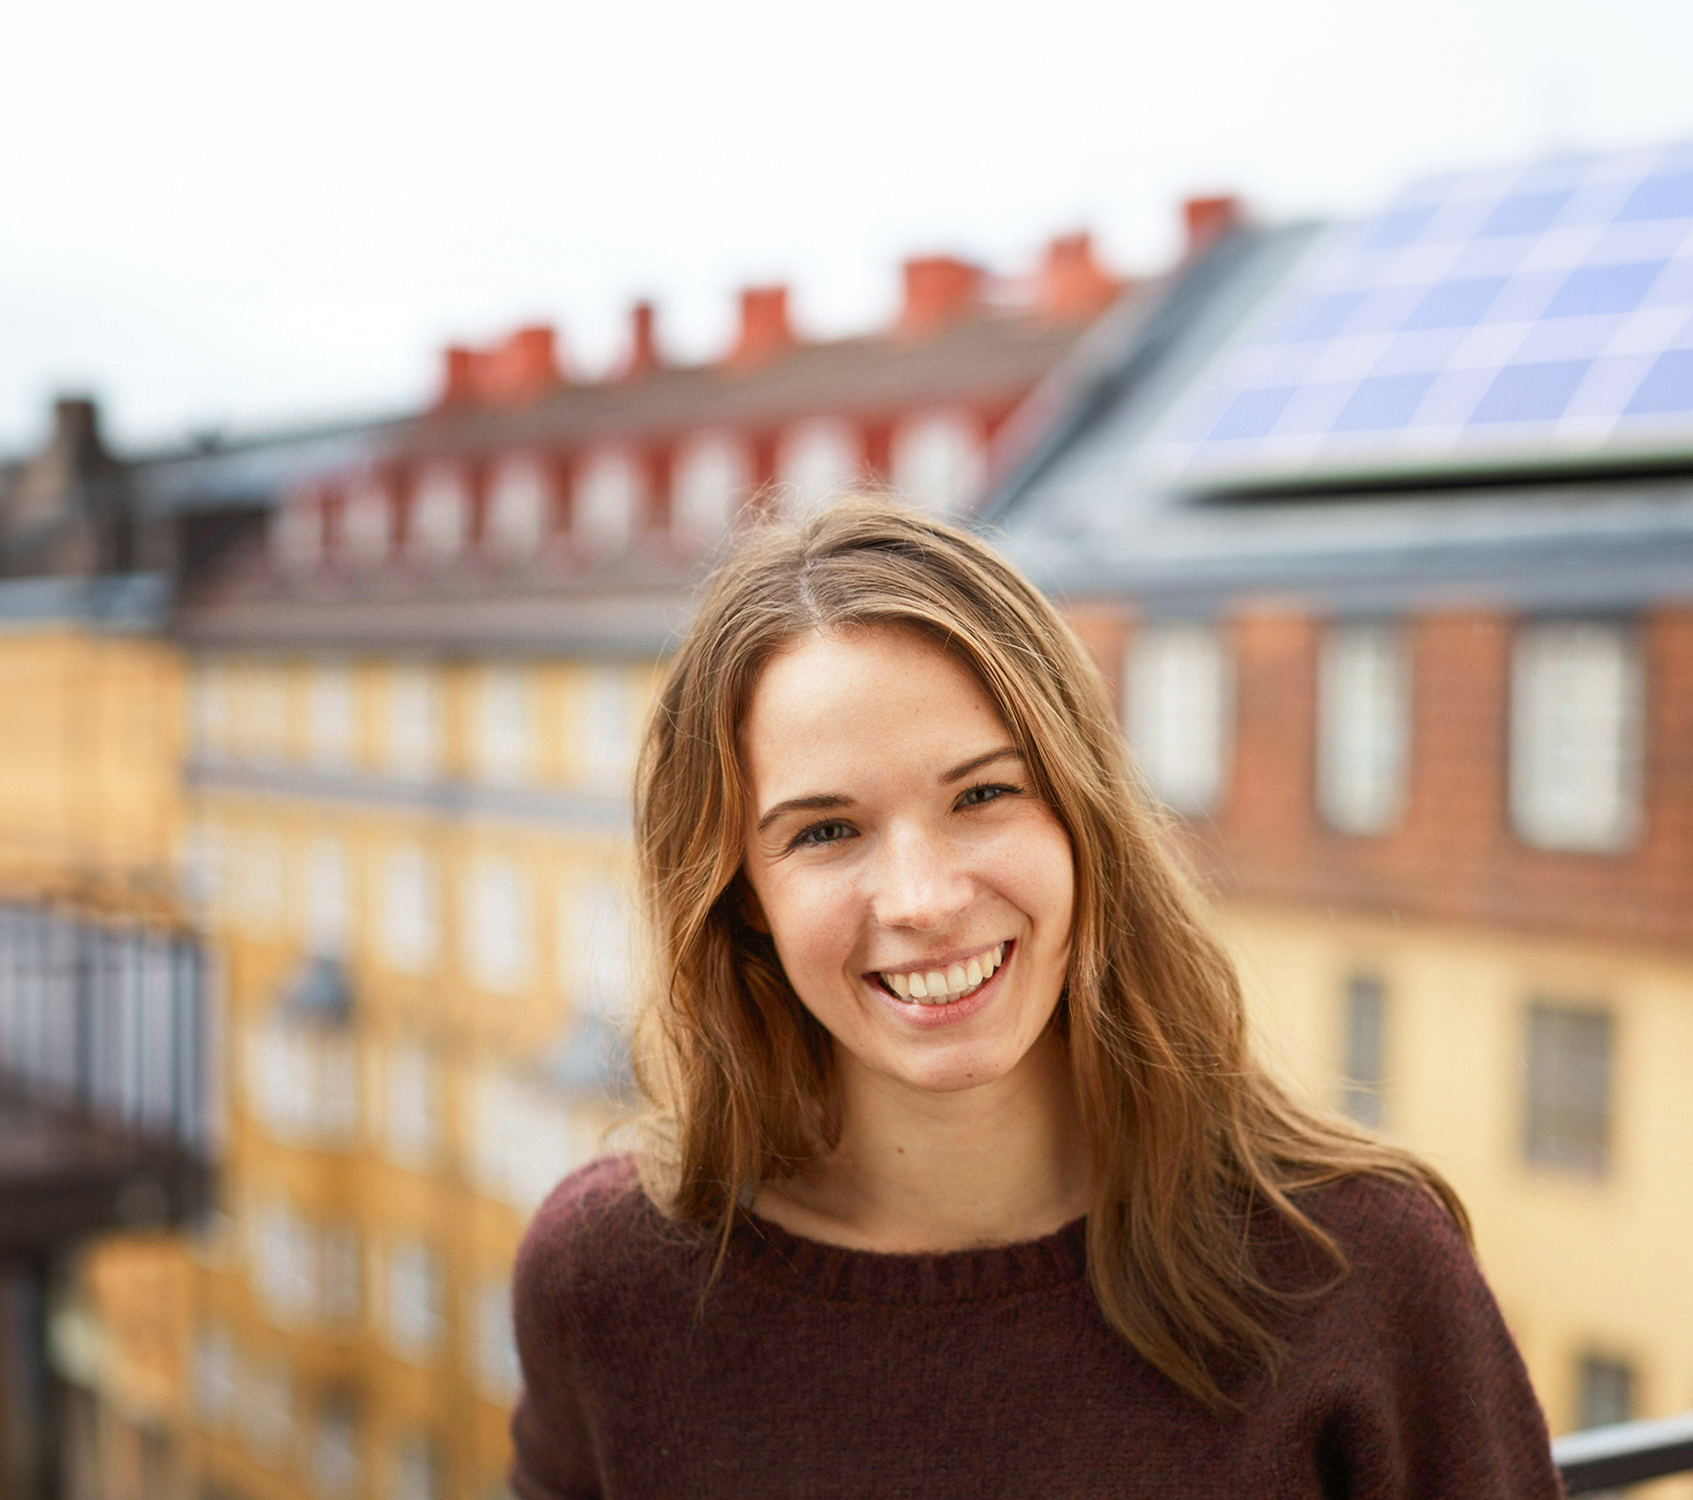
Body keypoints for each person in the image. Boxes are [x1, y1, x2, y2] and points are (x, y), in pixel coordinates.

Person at [510, 497, 1564, 1498]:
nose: (922, 901)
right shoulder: (605, 1288)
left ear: (1083, 819)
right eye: (826, 831)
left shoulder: (1362, 1271)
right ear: (744, 899)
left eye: (984, 794)